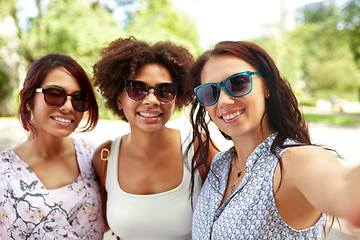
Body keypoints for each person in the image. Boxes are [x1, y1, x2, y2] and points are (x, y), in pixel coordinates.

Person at [189, 41, 360, 239]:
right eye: (209, 92)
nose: (223, 101)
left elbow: (339, 185)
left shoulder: (291, 163)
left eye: (238, 83)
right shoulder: (220, 164)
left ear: (267, 87)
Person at [92, 37, 218, 239]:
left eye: (164, 91)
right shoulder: (104, 158)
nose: (151, 100)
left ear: (175, 98)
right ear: (119, 99)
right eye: (137, 89)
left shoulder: (198, 147)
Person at [0, 54, 104, 239]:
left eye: (79, 98)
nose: (68, 107)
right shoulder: (4, 174)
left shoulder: (89, 154)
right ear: (29, 100)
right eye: (55, 95)